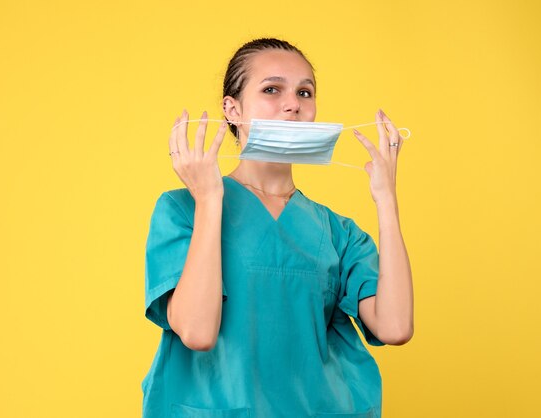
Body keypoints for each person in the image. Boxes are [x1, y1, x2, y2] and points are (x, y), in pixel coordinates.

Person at [142, 38, 414, 418]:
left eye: (305, 92)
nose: (293, 104)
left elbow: (395, 327)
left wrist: (387, 199)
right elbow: (197, 333)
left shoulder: (338, 232)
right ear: (232, 109)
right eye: (272, 89)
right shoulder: (181, 211)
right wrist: (209, 201)